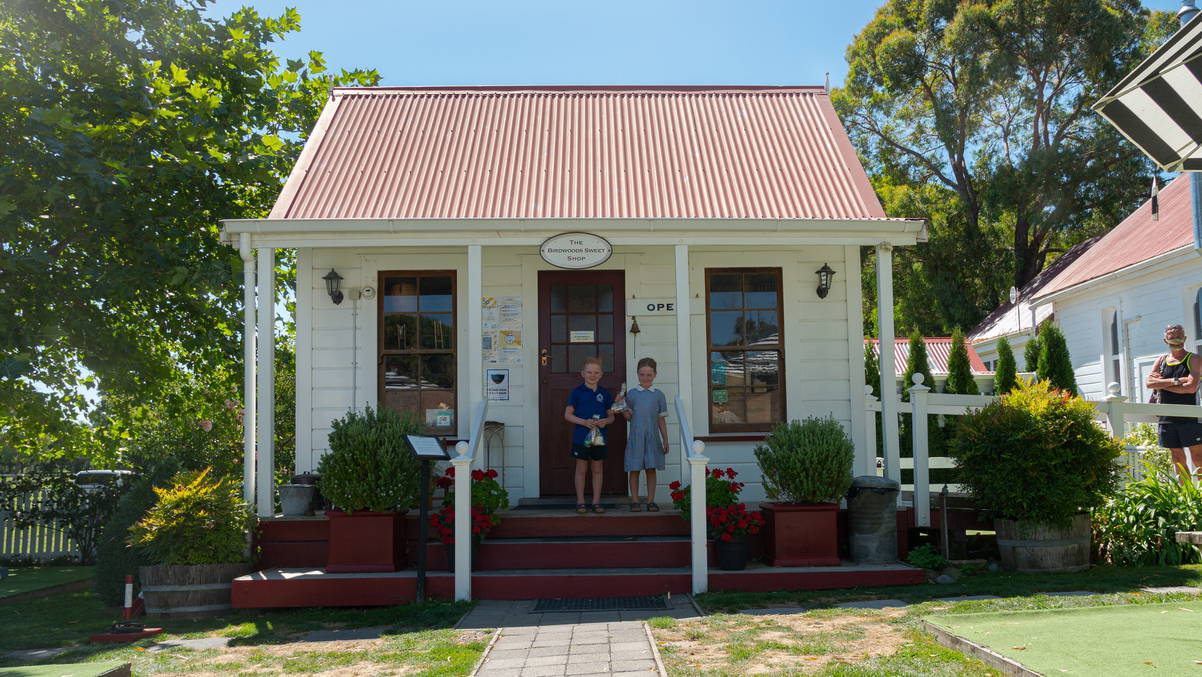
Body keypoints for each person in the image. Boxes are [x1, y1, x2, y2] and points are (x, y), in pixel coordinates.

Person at [1146, 324, 1202, 481]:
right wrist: (1176, 381)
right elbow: (1150, 383)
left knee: (1198, 458)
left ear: (1185, 338)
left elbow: (1191, 388)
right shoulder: (1161, 360)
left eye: (1180, 337)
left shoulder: (1195, 359)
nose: (1177, 341)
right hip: (1167, 417)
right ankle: (1187, 497)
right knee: (1177, 458)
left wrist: (1163, 384)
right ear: (1165, 340)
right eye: (1172, 339)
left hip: (1190, 416)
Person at [617, 358, 670, 512]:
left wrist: (665, 439)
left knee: (651, 469)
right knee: (634, 469)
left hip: (652, 438)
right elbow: (628, 418)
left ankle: (650, 501)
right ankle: (635, 500)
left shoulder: (659, 395)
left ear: (655, 375)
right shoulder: (632, 394)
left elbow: (661, 419)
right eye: (642, 374)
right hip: (636, 437)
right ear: (637, 374)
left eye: (649, 374)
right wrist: (623, 407)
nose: (645, 378)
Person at [564, 356, 615, 514]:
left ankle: (596, 501)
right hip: (581, 436)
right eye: (589, 372)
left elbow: (612, 417)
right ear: (583, 374)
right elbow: (568, 415)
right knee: (581, 468)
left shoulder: (604, 394)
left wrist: (605, 421)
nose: (593, 375)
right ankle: (580, 501)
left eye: (596, 372)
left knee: (597, 468)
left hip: (599, 438)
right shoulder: (577, 392)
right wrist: (584, 422)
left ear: (601, 374)